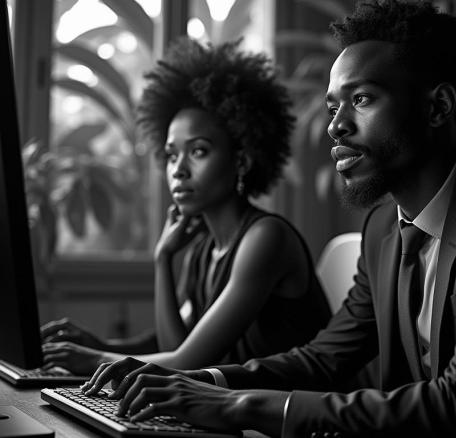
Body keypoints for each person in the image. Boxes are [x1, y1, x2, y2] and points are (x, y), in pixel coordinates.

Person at [80, 1, 456, 437]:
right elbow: (323, 359)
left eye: (361, 100)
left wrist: (240, 406)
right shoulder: (384, 228)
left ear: (438, 107)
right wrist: (202, 383)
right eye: (332, 105)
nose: (336, 126)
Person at [40, 36, 332, 376]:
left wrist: (92, 360)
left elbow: (188, 363)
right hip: (235, 411)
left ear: (241, 160)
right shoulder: (203, 249)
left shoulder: (266, 239)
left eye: (198, 151)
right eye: (171, 154)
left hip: (292, 421)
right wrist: (163, 259)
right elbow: (174, 348)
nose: (178, 169)